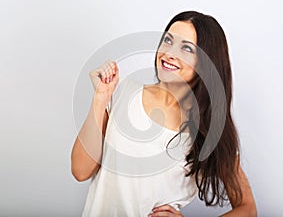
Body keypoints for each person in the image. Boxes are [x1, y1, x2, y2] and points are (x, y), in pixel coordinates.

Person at [71, 11, 257, 216]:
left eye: (186, 48)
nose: (169, 53)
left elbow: (247, 209)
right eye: (168, 40)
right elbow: (80, 171)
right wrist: (100, 99)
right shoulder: (125, 92)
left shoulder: (209, 132)